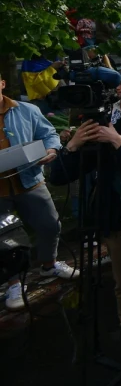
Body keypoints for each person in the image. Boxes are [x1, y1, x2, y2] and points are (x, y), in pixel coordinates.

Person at [48, 81, 121, 358]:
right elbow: (59, 176)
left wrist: (118, 142)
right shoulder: (100, 138)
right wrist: (73, 146)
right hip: (118, 220)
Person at [0, 76, 72, 311]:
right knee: (6, 240)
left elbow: (49, 133)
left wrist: (51, 149)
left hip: (30, 181)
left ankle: (49, 265)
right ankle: (13, 284)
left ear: (2, 83)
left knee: (50, 225)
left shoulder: (26, 110)